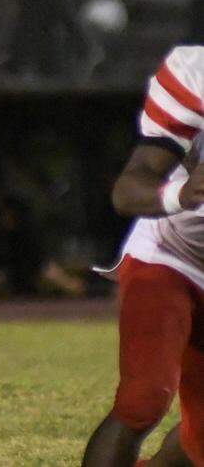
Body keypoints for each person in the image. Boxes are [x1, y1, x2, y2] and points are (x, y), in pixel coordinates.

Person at [81, 45, 204, 465]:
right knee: (143, 398)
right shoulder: (196, 75)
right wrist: (179, 193)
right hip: (172, 258)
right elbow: (128, 189)